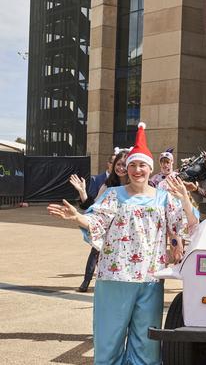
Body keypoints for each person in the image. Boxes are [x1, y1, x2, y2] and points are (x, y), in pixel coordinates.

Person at [48, 122, 197, 364]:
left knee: (147, 345)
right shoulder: (112, 196)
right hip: (114, 278)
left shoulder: (164, 198)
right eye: (133, 165)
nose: (138, 170)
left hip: (149, 279)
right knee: (110, 338)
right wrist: (78, 217)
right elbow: (97, 220)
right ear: (126, 169)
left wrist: (186, 201)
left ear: (150, 169)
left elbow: (187, 226)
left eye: (142, 165)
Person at [69, 149, 129, 292]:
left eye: (124, 165)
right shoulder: (107, 185)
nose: (121, 168)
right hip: (109, 230)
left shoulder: (138, 187)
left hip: (129, 233)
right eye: (118, 164)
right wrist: (83, 193)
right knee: (97, 253)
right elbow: (94, 208)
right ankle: (87, 281)